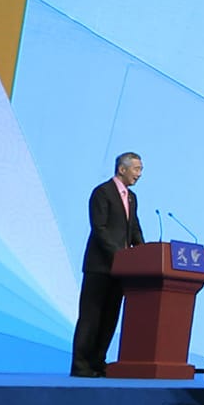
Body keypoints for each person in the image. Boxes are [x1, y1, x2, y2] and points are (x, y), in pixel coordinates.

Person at [72, 150, 146, 377]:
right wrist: (120, 256)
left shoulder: (131, 198)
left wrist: (144, 253)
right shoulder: (102, 193)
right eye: (136, 169)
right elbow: (100, 229)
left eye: (141, 169)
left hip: (120, 270)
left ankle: (98, 362)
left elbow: (133, 228)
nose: (140, 174)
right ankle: (81, 365)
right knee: (91, 316)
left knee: (109, 318)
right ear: (122, 169)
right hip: (99, 267)